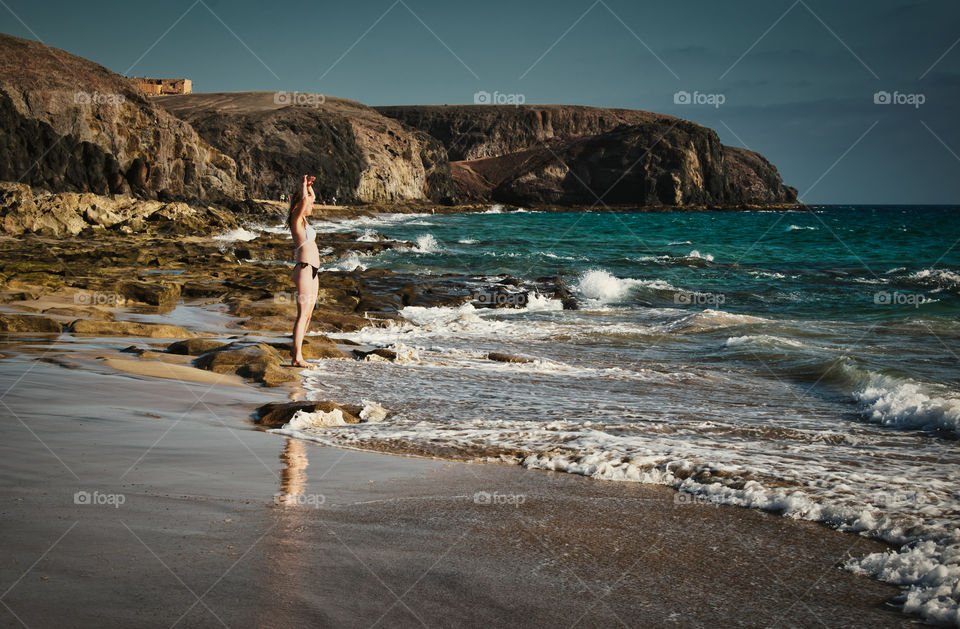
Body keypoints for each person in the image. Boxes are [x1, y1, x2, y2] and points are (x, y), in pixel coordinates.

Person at [288, 174, 318, 367]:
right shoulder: (296, 221)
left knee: (308, 315)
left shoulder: (305, 222)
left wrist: (309, 187)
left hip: (314, 271)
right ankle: (297, 357)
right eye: (308, 203)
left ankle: (296, 350)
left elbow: (311, 198)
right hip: (304, 270)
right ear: (300, 204)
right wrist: (302, 186)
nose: (313, 205)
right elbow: (306, 200)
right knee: (302, 314)